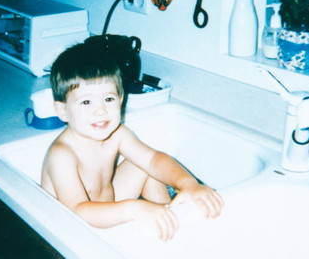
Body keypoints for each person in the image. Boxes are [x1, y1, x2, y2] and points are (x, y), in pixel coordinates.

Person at [41, 41, 223, 241]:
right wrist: (135, 209)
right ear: (62, 110)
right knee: (135, 199)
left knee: (145, 166)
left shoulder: (118, 134)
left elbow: (153, 160)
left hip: (111, 207)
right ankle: (159, 219)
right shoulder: (62, 154)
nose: (100, 110)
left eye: (108, 99)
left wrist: (189, 184)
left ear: (120, 100)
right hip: (76, 232)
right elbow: (77, 210)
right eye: (86, 102)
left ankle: (170, 224)